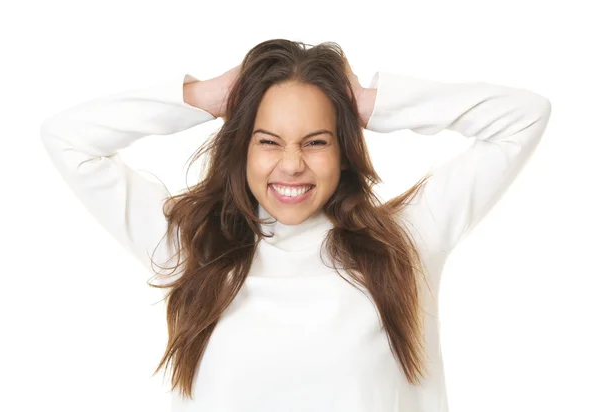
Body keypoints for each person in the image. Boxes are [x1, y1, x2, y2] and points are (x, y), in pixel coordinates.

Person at [39, 39, 552, 412]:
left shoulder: (404, 241)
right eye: (268, 141)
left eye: (316, 141)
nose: (291, 165)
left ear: (344, 150)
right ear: (241, 148)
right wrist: (204, 96)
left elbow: (524, 117)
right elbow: (69, 139)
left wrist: (370, 103)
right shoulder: (193, 246)